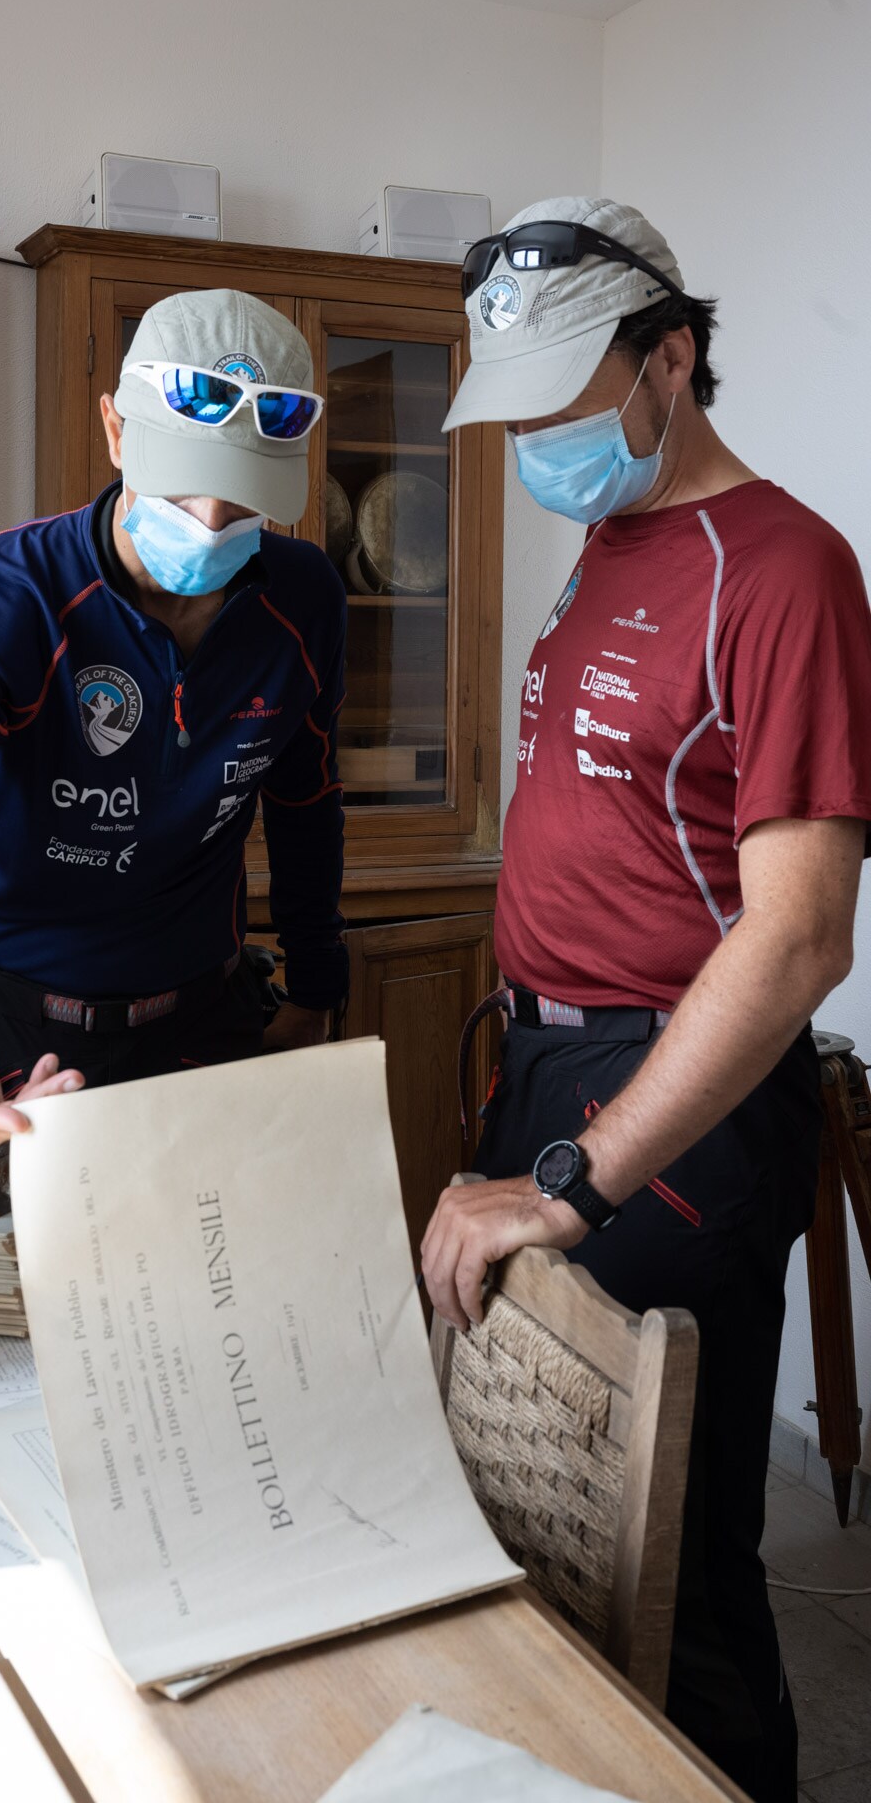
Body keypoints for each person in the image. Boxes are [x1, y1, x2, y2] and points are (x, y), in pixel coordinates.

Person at [419, 197, 871, 1803]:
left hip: (667, 1103)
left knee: (674, 1563)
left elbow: (802, 935)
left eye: (565, 392)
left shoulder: (787, 568)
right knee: (549, 1526)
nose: (537, 433)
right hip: (548, 1065)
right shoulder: (610, 543)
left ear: (671, 359)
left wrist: (575, 1176)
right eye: (515, 403)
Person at [0, 289, 348, 1153]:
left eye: (244, 501)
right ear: (117, 432)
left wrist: (316, 986)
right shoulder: (7, 598)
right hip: (19, 1031)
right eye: (187, 487)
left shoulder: (304, 599)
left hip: (208, 1020)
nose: (211, 524)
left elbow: (306, 802)